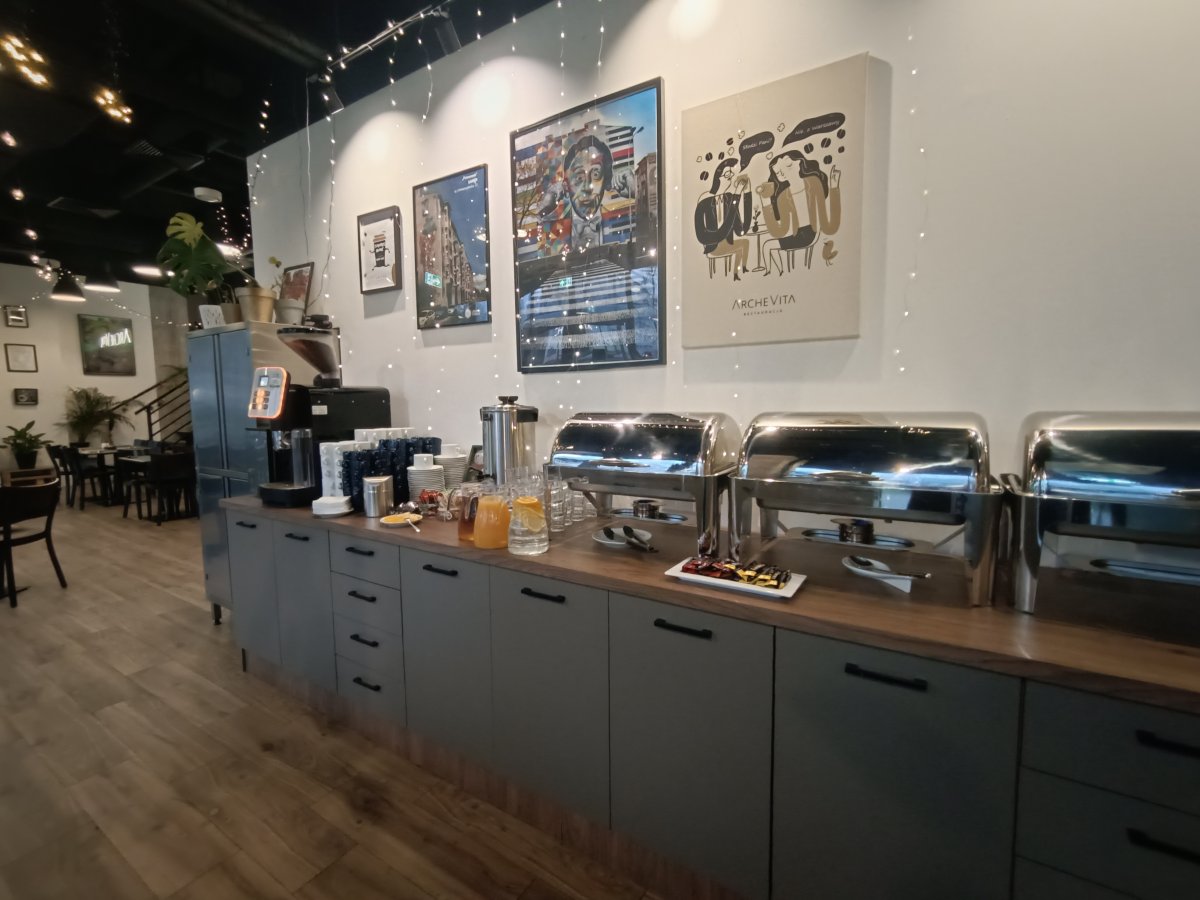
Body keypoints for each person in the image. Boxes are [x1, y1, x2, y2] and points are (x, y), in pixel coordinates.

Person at [759, 150, 841, 269]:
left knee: (767, 246)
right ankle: (777, 272)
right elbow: (778, 232)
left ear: (799, 162)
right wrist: (765, 202)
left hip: (809, 235)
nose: (783, 172)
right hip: (796, 235)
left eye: (788, 165)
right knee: (767, 246)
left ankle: (776, 273)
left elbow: (829, 226)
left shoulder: (814, 183)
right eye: (778, 172)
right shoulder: (782, 196)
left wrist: (834, 186)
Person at [693, 159, 752, 280]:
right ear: (717, 178)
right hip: (713, 248)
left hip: (728, 243)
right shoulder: (704, 202)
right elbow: (702, 237)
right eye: (727, 174)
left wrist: (747, 192)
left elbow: (741, 230)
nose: (731, 177)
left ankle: (739, 271)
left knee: (745, 242)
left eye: (732, 173)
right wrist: (736, 196)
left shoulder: (729, 199)